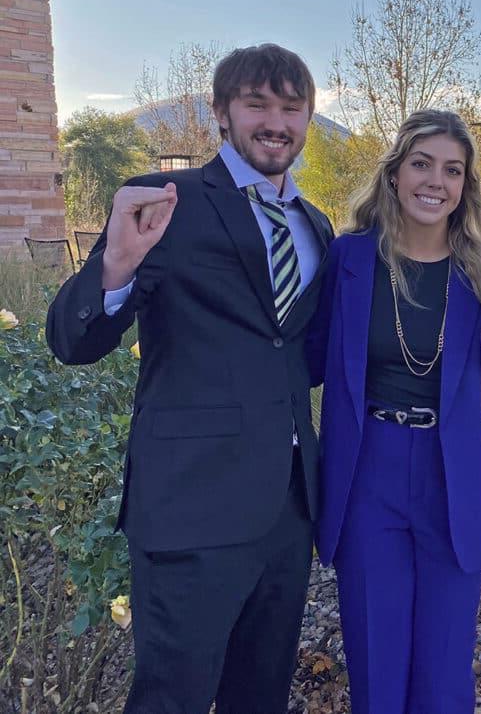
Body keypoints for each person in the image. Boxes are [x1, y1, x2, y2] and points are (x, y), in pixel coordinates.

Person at [46, 43, 333, 713]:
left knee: (260, 698)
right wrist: (114, 268)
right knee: (170, 701)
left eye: (292, 108)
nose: (276, 122)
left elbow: (297, 356)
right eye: (256, 104)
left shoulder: (315, 225)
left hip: (287, 512)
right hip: (190, 510)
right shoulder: (163, 206)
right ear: (221, 115)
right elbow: (72, 339)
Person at [306, 109, 481, 714]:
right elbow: (306, 359)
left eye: (452, 171)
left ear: (465, 187)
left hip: (451, 476)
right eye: (422, 164)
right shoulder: (349, 260)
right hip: (367, 472)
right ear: (396, 173)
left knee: (443, 672)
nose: (436, 181)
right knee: (376, 667)